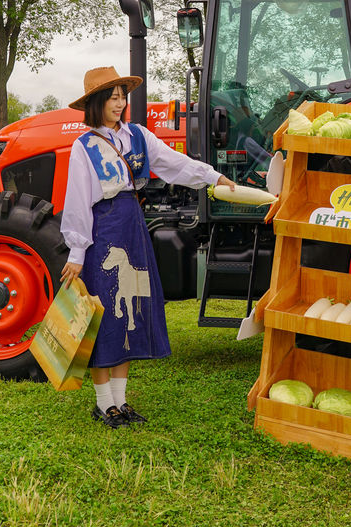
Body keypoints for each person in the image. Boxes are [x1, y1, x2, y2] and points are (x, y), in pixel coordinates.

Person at [60, 66, 235, 429]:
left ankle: (121, 402)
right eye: (112, 97)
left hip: (133, 226)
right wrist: (77, 253)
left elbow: (174, 164)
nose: (120, 103)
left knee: (130, 313)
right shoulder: (84, 147)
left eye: (122, 96)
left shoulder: (138, 135)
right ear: (95, 103)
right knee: (105, 316)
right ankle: (103, 403)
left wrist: (212, 176)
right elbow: (77, 201)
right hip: (103, 230)